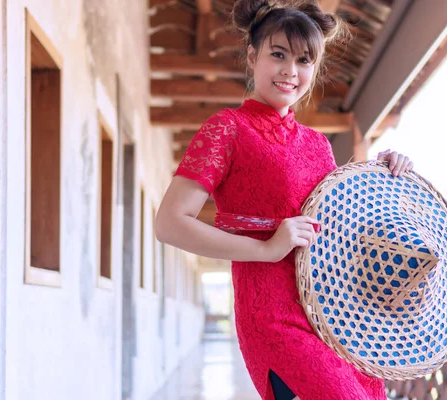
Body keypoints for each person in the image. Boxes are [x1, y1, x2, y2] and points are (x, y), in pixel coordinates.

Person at [155, 1, 414, 399]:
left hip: (331, 316)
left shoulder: (319, 145)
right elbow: (170, 223)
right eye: (278, 54)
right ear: (252, 55)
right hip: (271, 317)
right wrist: (269, 249)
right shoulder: (227, 129)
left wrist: (382, 176)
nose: (290, 71)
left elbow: (343, 229)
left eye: (304, 60)